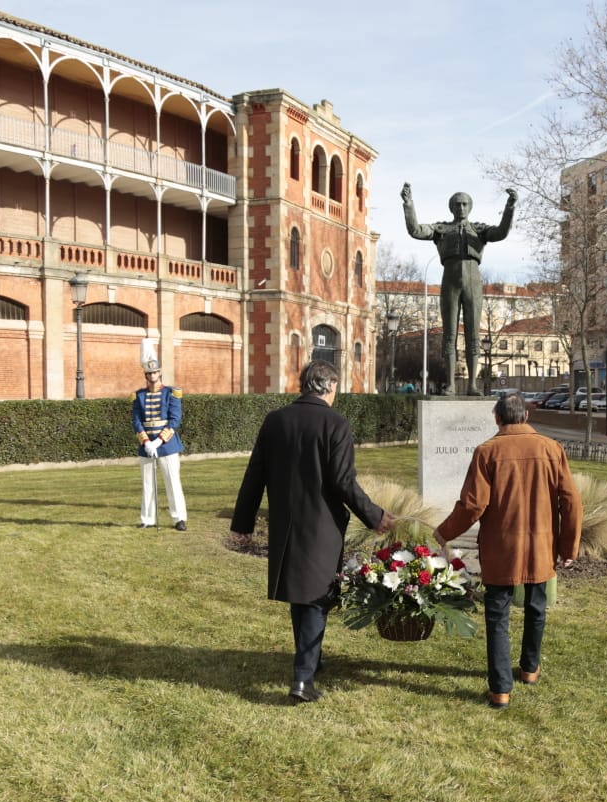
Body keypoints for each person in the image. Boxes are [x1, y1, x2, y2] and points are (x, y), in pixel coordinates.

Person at [230, 360, 396, 702]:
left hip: (286, 524)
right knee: (316, 598)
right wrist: (375, 516)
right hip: (321, 526)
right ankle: (303, 678)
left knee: (301, 594)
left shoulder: (275, 421)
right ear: (330, 387)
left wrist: (242, 525)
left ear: (303, 384)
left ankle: (311, 661)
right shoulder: (336, 424)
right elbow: (343, 482)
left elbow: (254, 476)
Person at [435, 393, 582, 709]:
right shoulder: (551, 449)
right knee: (536, 606)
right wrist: (569, 546)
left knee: (498, 615)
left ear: (497, 418)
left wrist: (443, 532)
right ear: (526, 416)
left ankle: (501, 689)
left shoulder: (487, 451)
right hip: (541, 545)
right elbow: (571, 501)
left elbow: (473, 505)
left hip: (501, 547)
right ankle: (530, 668)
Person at [402, 183, 516, 395]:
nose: (461, 207)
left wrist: (510, 206)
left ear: (470, 207)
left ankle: (472, 385)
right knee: (449, 335)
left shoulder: (479, 230)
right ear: (451, 207)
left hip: (474, 282)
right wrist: (408, 204)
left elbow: (500, 232)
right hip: (450, 281)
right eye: (457, 204)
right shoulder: (441, 229)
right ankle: (451, 385)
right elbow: (416, 230)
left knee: (473, 336)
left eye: (464, 204)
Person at [132, 361, 188, 530]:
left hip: (167, 445)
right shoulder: (138, 395)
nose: (152, 376)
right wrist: (147, 442)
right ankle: (148, 519)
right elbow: (136, 421)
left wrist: (159, 441)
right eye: (149, 373)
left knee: (172, 482)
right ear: (146, 375)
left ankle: (179, 518)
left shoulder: (171, 393)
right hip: (147, 446)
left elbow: (174, 420)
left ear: (159, 373)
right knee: (147, 483)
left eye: (154, 372)